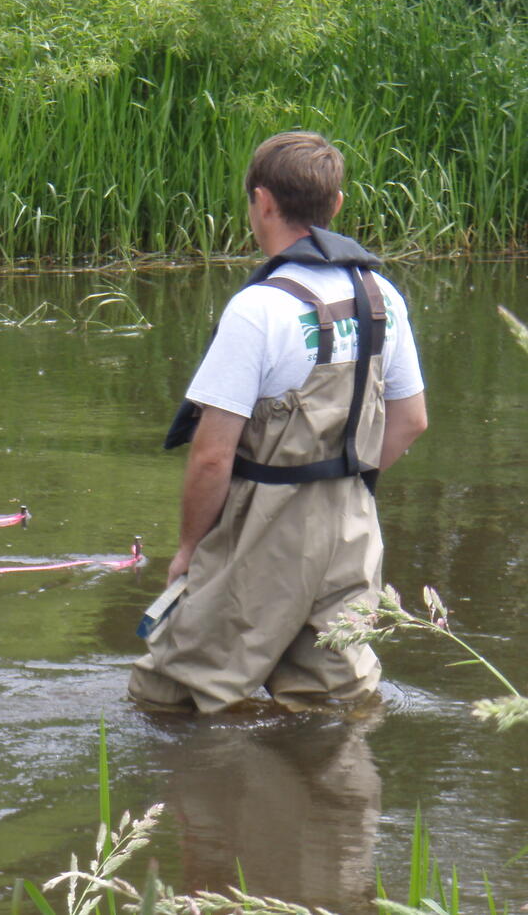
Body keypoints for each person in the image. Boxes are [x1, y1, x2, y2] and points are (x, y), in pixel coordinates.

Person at [129, 131, 428, 712]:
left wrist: (190, 547)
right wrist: (346, 482)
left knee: (176, 697)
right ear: (336, 206)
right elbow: (412, 419)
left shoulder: (259, 308)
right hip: (353, 529)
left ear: (262, 201)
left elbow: (213, 456)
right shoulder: (381, 294)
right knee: (335, 703)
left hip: (262, 530)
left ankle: (187, 802)